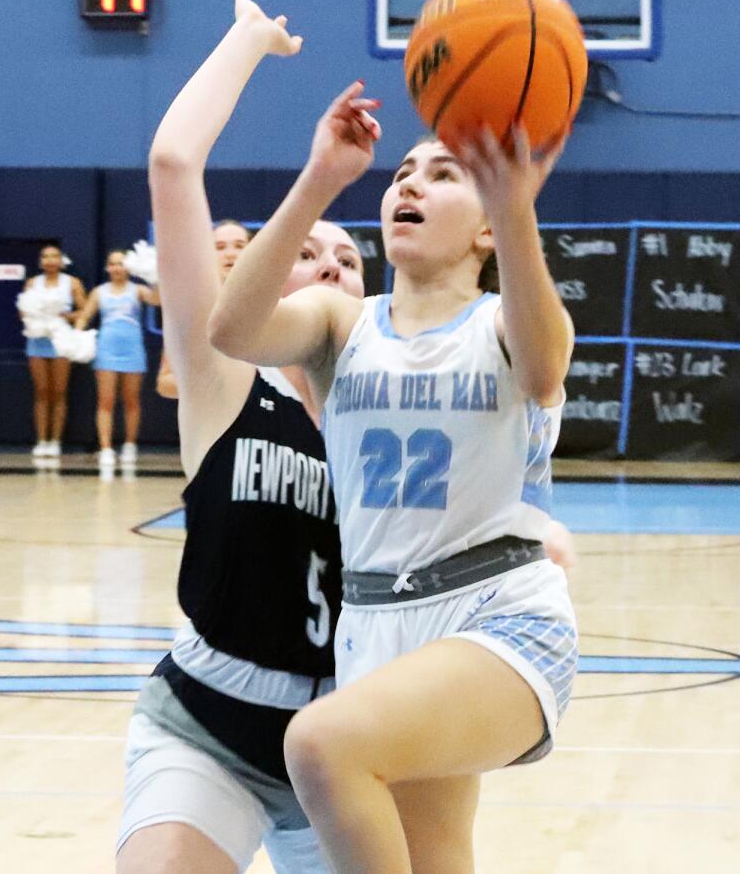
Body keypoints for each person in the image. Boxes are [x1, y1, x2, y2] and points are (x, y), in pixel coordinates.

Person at [209, 54, 578, 874]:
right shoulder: (342, 322)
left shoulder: (503, 322)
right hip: (375, 625)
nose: (409, 183)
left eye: (445, 174)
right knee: (434, 855)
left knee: (317, 744)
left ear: (487, 226)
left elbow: (546, 368)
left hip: (499, 614)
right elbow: (231, 329)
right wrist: (318, 179)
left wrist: (516, 208)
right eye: (402, 171)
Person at [118, 0, 348, 872]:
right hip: (208, 724)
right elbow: (173, 164)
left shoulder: (395, 417)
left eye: (349, 260)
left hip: (347, 743)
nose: (330, 265)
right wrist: (249, 41)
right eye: (309, 253)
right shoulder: (224, 374)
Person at [75, 250, 160, 467]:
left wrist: (156, 280)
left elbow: (157, 301)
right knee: (106, 401)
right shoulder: (99, 292)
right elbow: (85, 316)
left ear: (128, 267)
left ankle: (130, 445)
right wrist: (76, 335)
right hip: (106, 350)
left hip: (132, 350)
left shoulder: (138, 290)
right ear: (107, 268)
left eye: (120, 263)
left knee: (131, 401)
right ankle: (105, 448)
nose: (117, 268)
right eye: (112, 264)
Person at [155, 222, 252, 401]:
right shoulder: (188, 310)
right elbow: (165, 382)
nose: (230, 254)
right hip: (213, 422)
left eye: (239, 246)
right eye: (219, 247)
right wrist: (213, 385)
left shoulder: (276, 301)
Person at [21, 245, 86, 457]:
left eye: (54, 256)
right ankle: (41, 440)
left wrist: (63, 317)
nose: (50, 260)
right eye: (45, 256)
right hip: (38, 340)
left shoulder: (72, 283)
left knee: (59, 392)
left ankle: (56, 441)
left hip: (61, 341)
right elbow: (23, 311)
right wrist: (36, 318)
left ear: (61, 260)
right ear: (40, 261)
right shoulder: (32, 283)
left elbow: (84, 312)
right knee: (41, 392)